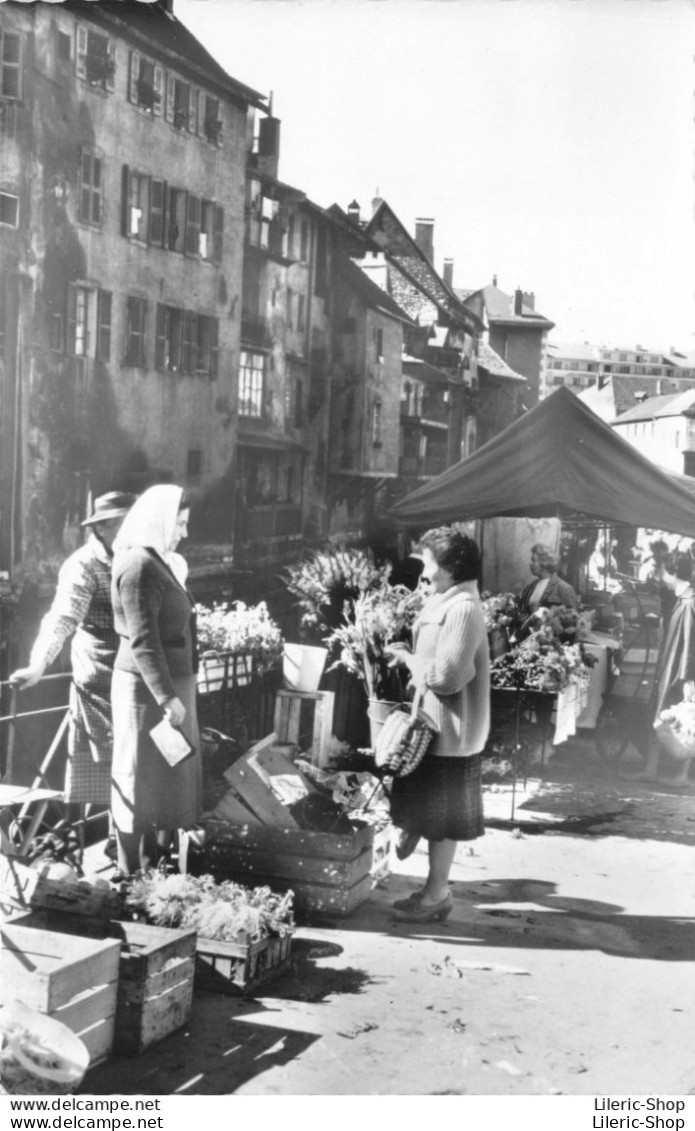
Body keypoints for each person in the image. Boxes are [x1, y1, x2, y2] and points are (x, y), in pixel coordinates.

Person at [384, 527, 490, 924]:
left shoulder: (462, 608)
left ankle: (435, 896)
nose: (423, 570)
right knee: (433, 814)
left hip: (452, 730)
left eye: (428, 562)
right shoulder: (446, 600)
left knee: (442, 820)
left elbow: (448, 676)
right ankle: (433, 889)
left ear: (449, 568)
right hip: (436, 726)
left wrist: (410, 661)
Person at [10, 492, 136, 810]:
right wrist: (39, 664)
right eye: (125, 524)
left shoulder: (137, 556)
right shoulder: (84, 564)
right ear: (102, 528)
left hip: (136, 667)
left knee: (137, 759)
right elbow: (62, 617)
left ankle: (124, 830)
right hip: (102, 671)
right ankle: (107, 828)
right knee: (106, 758)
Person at [110, 484, 201, 875]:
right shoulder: (138, 566)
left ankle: (153, 866)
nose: (183, 532)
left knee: (162, 775)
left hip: (169, 686)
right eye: (179, 523)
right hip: (147, 691)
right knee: (138, 775)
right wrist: (167, 697)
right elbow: (143, 638)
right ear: (160, 519)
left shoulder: (159, 562)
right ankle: (132, 872)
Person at [624, 553, 695, 786]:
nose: (658, 575)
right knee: (660, 714)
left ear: (674, 572)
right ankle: (651, 769)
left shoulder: (689, 602)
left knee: (684, 722)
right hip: (670, 669)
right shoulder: (679, 598)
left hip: (681, 674)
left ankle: (681, 775)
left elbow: (691, 646)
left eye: (661, 570)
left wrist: (688, 683)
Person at [519, 544, 577, 618]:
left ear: (544, 563)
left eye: (533, 560)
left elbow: (572, 621)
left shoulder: (564, 589)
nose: (530, 564)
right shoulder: (529, 588)